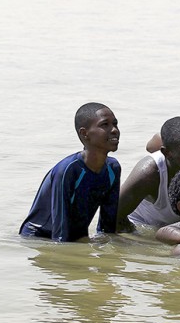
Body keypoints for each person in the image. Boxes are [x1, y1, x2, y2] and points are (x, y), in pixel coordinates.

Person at [19, 102, 121, 242]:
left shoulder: (113, 168)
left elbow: (107, 229)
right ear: (84, 133)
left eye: (115, 124)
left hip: (74, 235)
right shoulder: (68, 170)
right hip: (39, 237)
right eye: (105, 125)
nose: (114, 130)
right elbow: (60, 237)